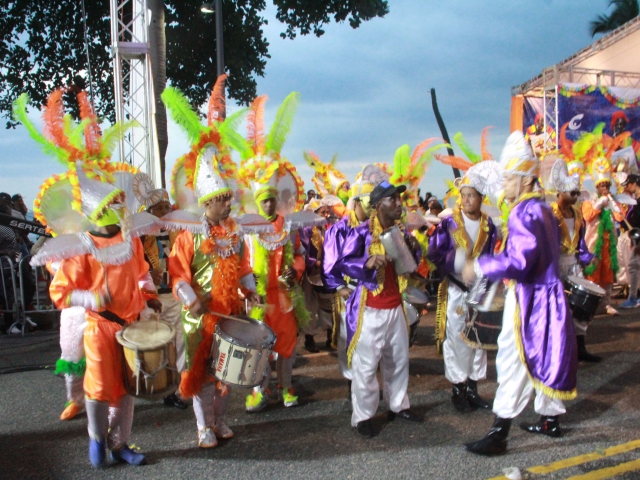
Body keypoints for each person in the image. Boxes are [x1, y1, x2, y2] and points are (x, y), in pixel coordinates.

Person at [463, 131, 577, 456]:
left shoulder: (523, 212)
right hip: (550, 297)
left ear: (526, 180)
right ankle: (550, 421)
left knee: (513, 358)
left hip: (529, 298)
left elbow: (520, 262)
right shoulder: (545, 210)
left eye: (510, 178)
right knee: (546, 354)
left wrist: (481, 265)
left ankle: (499, 433)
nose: (505, 183)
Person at [162, 77, 262, 447]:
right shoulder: (189, 236)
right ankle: (203, 427)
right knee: (202, 373)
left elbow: (244, 267)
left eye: (229, 198)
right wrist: (192, 300)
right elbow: (177, 275)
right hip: (199, 316)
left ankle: (219, 421)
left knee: (227, 372)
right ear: (207, 203)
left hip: (228, 311)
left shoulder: (235, 234)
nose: (229, 204)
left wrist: (250, 291)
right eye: (223, 200)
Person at [236, 92, 310, 412]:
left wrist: (296, 269)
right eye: (263, 200)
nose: (267, 204)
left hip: (284, 297)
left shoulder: (288, 226)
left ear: (277, 199)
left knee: (287, 345)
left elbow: (300, 254)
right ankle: (260, 390)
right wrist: (246, 286)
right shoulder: (247, 228)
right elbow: (240, 262)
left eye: (271, 199)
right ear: (257, 201)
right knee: (259, 347)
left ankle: (287, 387)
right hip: (258, 298)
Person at [337, 180, 422, 437]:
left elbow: (410, 266)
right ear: (377, 205)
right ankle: (363, 416)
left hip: (395, 307)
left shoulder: (401, 233)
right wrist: (368, 261)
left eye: (399, 199)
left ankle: (398, 405)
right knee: (365, 366)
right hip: (370, 309)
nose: (398, 204)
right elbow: (344, 262)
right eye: (392, 199)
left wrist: (415, 249)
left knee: (398, 361)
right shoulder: (361, 233)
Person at [428, 162, 499, 412]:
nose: (466, 200)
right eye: (464, 195)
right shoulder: (449, 223)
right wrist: (456, 261)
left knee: (478, 338)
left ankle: (473, 388)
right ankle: (458, 389)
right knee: (457, 338)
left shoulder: (489, 226)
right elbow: (434, 253)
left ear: (481, 198)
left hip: (479, 289)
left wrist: (485, 275)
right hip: (457, 288)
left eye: (471, 196)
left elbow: (491, 256)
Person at [322, 165, 388, 395]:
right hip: (349, 294)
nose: (374, 207)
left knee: (373, 341)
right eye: (371, 202)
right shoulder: (338, 230)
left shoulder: (378, 228)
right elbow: (330, 263)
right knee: (349, 339)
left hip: (373, 294)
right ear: (358, 201)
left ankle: (370, 383)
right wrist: (339, 286)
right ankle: (353, 384)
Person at [139, 185, 188, 410]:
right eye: (160, 208)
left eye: (167, 207)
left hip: (174, 295)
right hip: (152, 299)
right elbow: (134, 269)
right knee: (156, 345)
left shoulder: (178, 231)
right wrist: (148, 274)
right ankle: (157, 386)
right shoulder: (139, 236)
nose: (165, 211)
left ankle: (175, 389)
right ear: (149, 211)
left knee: (178, 343)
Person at [548, 158, 599, 362]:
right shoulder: (550, 213)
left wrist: (588, 258)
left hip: (573, 265)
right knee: (559, 309)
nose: (576, 197)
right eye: (573, 193)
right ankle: (558, 353)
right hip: (555, 266)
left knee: (580, 307)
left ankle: (580, 349)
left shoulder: (578, 214)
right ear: (560, 192)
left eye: (577, 193)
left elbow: (580, 243)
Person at [582, 158, 624, 315]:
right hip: (594, 243)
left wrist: (612, 202)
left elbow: (620, 217)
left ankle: (606, 304)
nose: (604, 188)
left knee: (608, 273)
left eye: (606, 185)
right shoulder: (589, 202)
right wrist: (600, 203)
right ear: (597, 187)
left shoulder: (612, 201)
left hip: (609, 244)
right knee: (593, 273)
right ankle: (590, 304)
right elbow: (588, 216)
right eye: (602, 186)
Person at [300, 198, 336, 353]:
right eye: (323, 212)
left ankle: (330, 336)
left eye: (328, 212)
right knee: (310, 305)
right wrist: (315, 263)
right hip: (310, 274)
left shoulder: (330, 229)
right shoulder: (307, 230)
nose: (327, 215)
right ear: (314, 214)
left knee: (328, 304)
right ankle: (309, 338)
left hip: (325, 273)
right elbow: (303, 252)